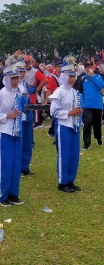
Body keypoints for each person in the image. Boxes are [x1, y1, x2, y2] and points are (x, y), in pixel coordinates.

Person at [0, 53, 26, 207]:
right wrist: (7, 116)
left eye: (17, 78)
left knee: (16, 164)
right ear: (7, 79)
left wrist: (20, 115)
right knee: (4, 164)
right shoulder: (0, 94)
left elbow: (20, 112)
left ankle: (13, 194)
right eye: (13, 78)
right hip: (4, 132)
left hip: (17, 132)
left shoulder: (18, 94)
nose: (16, 81)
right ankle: (3, 195)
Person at [49, 57, 83, 193]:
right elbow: (53, 112)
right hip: (63, 126)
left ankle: (70, 180)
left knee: (74, 154)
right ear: (64, 76)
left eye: (74, 76)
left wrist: (79, 112)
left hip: (75, 126)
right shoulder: (59, 92)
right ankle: (62, 182)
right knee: (64, 154)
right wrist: (69, 112)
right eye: (70, 76)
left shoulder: (75, 92)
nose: (73, 79)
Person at [74, 61, 104, 150]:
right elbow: (77, 90)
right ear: (85, 68)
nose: (89, 68)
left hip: (98, 105)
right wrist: (81, 104)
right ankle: (87, 143)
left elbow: (101, 85)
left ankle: (98, 138)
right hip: (87, 106)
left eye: (91, 66)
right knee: (87, 123)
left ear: (93, 67)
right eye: (87, 66)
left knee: (97, 125)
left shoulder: (98, 77)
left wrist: (92, 76)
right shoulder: (82, 78)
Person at [17, 58, 35, 176]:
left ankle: (25, 166)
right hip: (18, 116)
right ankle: (17, 167)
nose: (22, 74)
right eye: (20, 71)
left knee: (28, 142)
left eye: (23, 71)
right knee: (18, 142)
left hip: (28, 115)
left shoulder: (25, 84)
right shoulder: (10, 85)